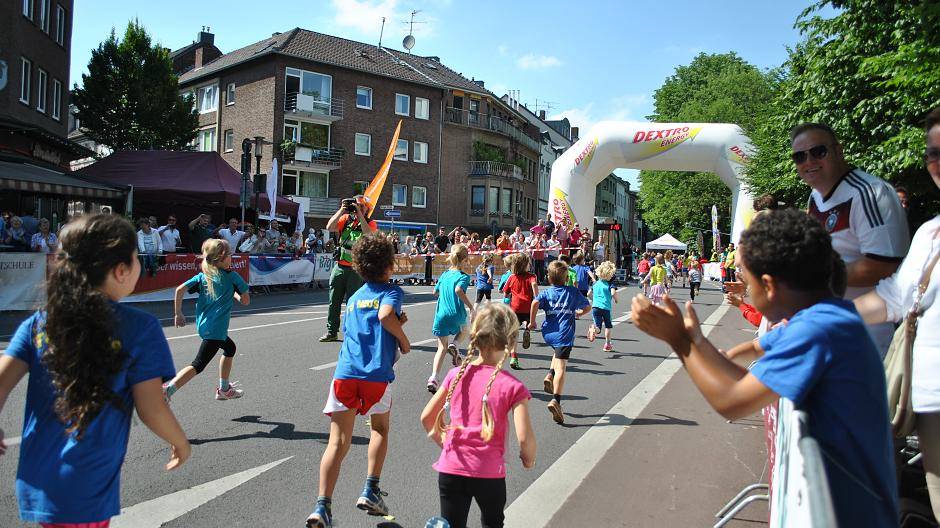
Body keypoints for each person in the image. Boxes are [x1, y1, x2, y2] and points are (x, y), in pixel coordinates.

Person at [631, 208, 899, 527]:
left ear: (769, 285)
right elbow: (749, 382)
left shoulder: (817, 332)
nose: (741, 283)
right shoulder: (821, 319)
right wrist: (696, 341)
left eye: (745, 275)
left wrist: (679, 341)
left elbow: (732, 400)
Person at [0, 214, 189, 526]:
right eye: (135, 258)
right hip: (87, 484)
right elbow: (151, 407)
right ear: (121, 270)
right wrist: (181, 442)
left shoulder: (39, 323)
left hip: (37, 479)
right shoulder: (140, 328)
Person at [854, 107, 940, 520]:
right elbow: (892, 298)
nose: (937, 163)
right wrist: (820, 320)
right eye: (933, 153)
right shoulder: (930, 233)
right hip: (928, 408)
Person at [305, 233, 410, 528]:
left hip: (345, 373)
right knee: (379, 429)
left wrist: (392, 326)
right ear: (389, 265)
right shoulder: (391, 292)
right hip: (375, 375)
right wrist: (403, 339)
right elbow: (385, 316)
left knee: (336, 443)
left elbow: (366, 328)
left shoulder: (354, 298)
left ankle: (322, 507)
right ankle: (371, 489)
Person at [794, 122, 910, 355]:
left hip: (865, 335)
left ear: (839, 150)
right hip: (825, 325)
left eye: (818, 152)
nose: (809, 162)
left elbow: (886, 265)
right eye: (799, 156)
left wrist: (819, 277)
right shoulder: (814, 197)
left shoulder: (870, 192)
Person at [420, 302, 536, 528]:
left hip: (452, 467)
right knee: (493, 522)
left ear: (474, 336)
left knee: (452, 523)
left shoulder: (455, 375)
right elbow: (525, 438)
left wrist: (445, 443)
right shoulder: (513, 386)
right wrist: (528, 459)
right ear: (510, 342)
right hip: (489, 473)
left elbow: (426, 418)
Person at [163, 239, 250, 402]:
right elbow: (245, 301)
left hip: (204, 326)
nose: (232, 257)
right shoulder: (233, 276)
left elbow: (179, 290)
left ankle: (224, 389)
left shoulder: (204, 275)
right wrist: (237, 293)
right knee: (198, 364)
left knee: (230, 348)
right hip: (216, 330)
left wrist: (178, 313)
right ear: (221, 257)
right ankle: (168, 390)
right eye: (230, 254)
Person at [529, 260, 591, 424]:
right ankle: (556, 399)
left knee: (557, 353)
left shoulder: (547, 292)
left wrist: (532, 321)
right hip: (564, 333)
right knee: (562, 366)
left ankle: (549, 374)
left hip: (548, 333)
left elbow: (535, 302)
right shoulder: (572, 291)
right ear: (566, 278)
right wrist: (579, 313)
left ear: (549, 278)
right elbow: (588, 306)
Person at [320, 197, 377, 342]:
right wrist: (341, 209)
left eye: (361, 206)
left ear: (367, 209)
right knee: (334, 301)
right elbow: (330, 227)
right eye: (356, 205)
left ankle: (354, 332)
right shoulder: (345, 219)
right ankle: (331, 331)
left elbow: (368, 234)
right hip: (339, 267)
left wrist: (359, 214)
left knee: (354, 303)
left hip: (356, 270)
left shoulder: (370, 223)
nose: (357, 207)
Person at [428, 244, 474, 394]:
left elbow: (435, 292)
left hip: (441, 314)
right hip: (456, 313)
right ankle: (455, 344)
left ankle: (434, 378)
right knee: (466, 330)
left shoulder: (444, 275)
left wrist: (443, 293)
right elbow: (458, 290)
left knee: (441, 348)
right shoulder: (463, 276)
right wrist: (471, 306)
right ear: (465, 259)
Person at [502, 253, 538, 370]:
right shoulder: (531, 276)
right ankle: (527, 328)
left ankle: (513, 357)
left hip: (515, 308)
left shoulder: (512, 277)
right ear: (526, 264)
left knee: (513, 334)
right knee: (529, 321)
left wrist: (509, 296)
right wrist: (536, 295)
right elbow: (534, 285)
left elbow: (505, 293)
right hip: (528, 307)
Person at [587, 261, 619, 352]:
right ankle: (607, 344)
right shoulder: (610, 284)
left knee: (598, 326)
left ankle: (595, 329)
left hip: (595, 307)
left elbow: (588, 294)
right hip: (606, 308)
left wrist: (594, 300)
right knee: (608, 326)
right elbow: (613, 293)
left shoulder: (595, 283)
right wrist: (616, 299)